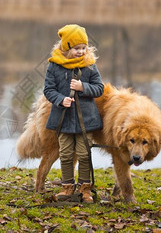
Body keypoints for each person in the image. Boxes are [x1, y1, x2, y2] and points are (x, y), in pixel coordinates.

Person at [43, 24, 104, 203]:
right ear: (66, 47)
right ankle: (67, 188)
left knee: (84, 154)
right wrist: (60, 99)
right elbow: (48, 89)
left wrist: (83, 87)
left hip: (86, 120)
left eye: (83, 48)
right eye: (77, 48)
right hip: (63, 119)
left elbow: (99, 88)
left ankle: (85, 189)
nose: (81, 52)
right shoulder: (54, 66)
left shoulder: (90, 66)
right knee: (66, 153)